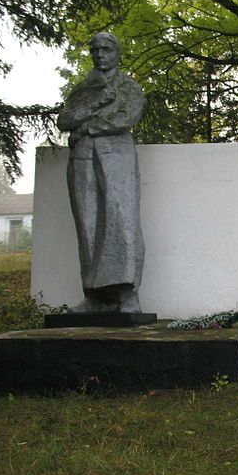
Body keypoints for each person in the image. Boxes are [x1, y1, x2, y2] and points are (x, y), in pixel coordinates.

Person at [57, 32, 145, 313]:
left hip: (116, 156)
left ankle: (127, 294)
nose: (100, 54)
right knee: (87, 224)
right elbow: (64, 119)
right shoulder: (84, 89)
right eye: (95, 50)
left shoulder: (129, 87)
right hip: (82, 157)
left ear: (117, 52)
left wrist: (86, 128)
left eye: (107, 49)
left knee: (121, 220)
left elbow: (127, 117)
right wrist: (94, 104)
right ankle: (94, 296)